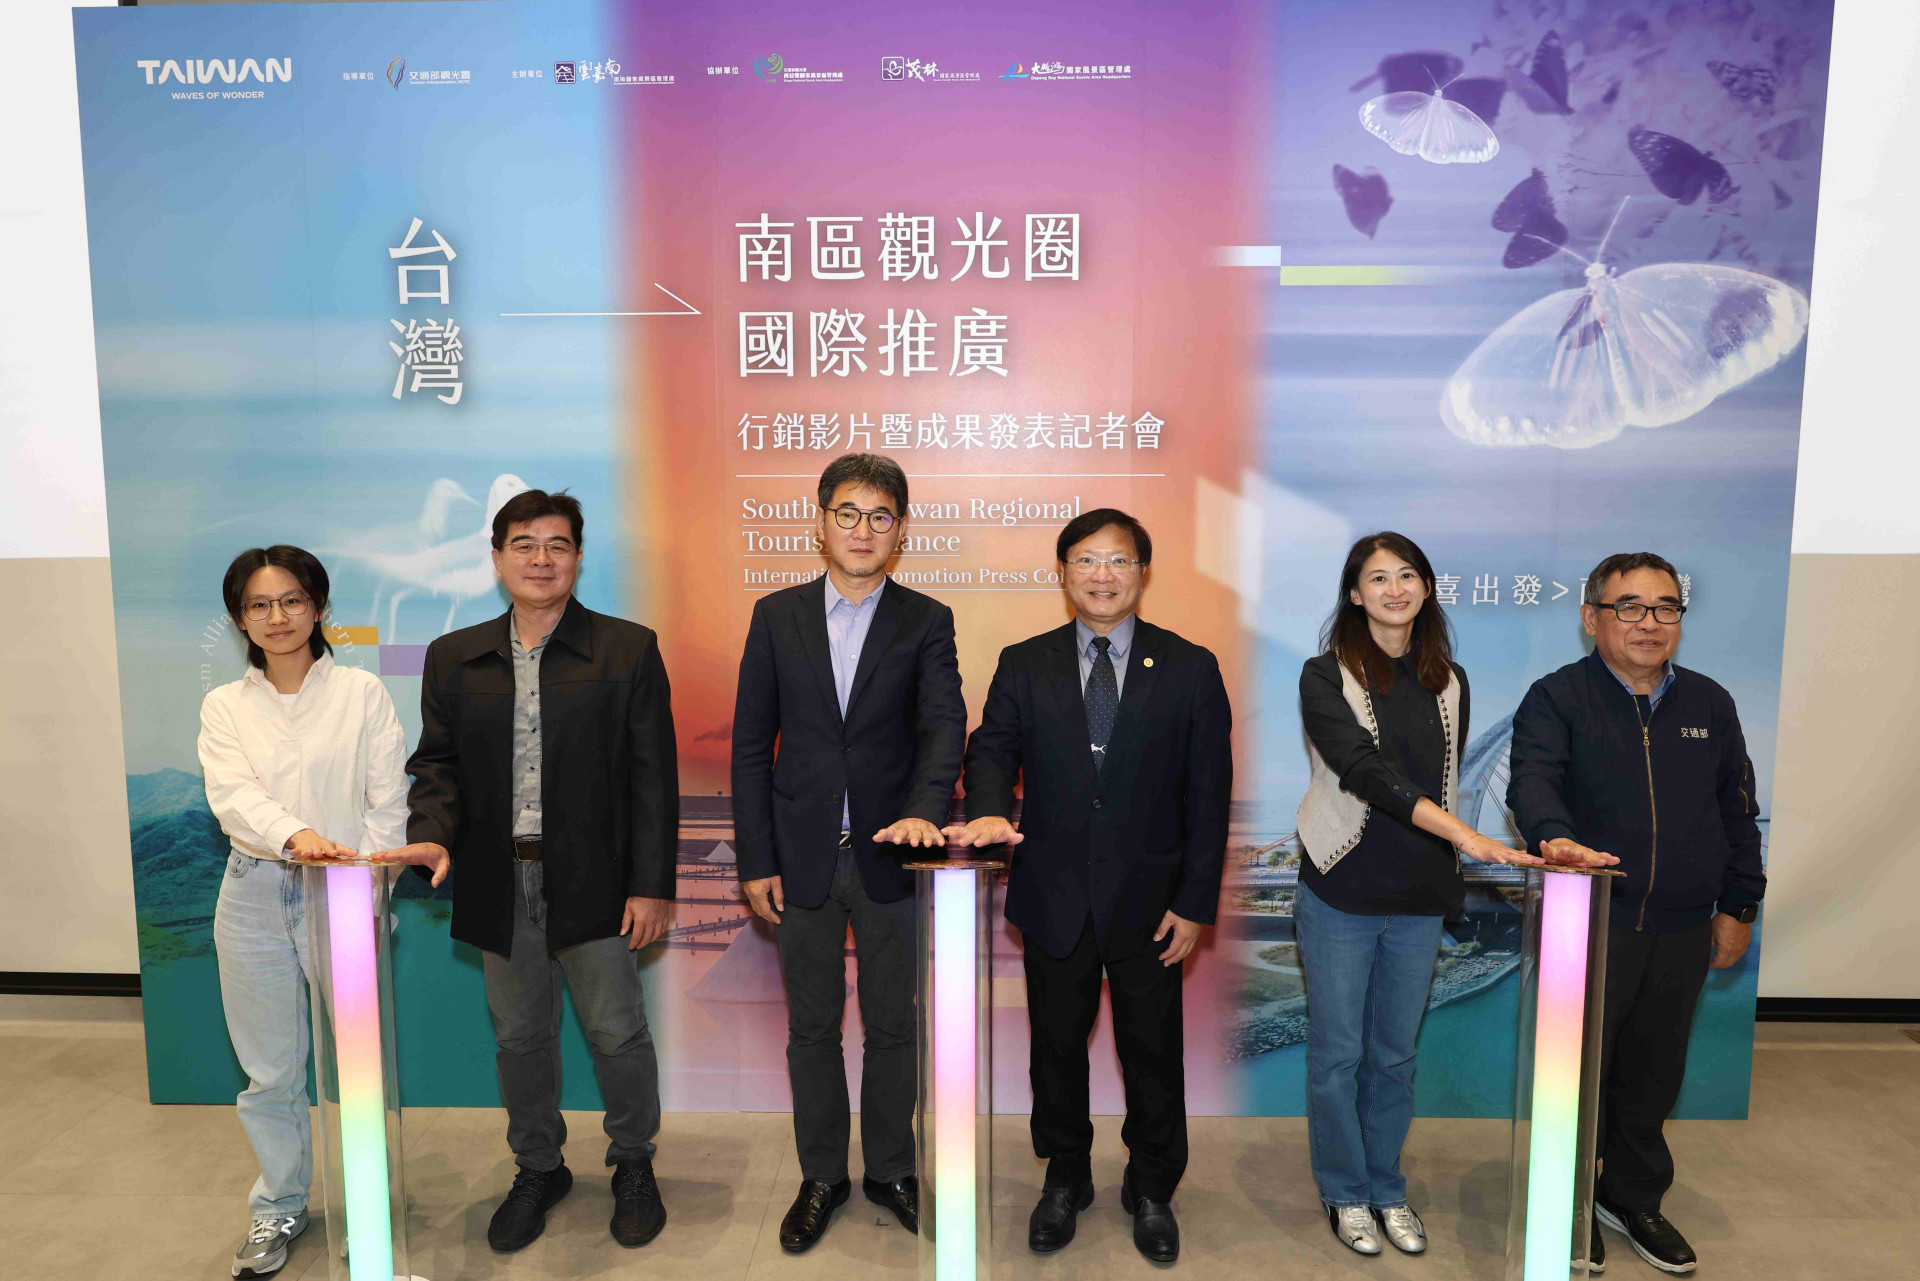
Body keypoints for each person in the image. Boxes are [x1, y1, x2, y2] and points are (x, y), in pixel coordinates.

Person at [375, 489, 680, 1253]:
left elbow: (654, 778)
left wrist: (650, 884)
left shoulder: (626, 648)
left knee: (616, 1030)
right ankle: (539, 1166)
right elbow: (437, 767)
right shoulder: (455, 656)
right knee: (519, 1036)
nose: (540, 559)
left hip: (598, 877)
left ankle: (633, 1161)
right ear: (497, 557)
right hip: (498, 876)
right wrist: (430, 836)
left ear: (578, 556)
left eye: (557, 544)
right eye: (523, 544)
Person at [1294, 533, 1598, 1258]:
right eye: (1377, 578)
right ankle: (1344, 1190)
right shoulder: (1323, 674)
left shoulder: (1448, 679)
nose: (1394, 588)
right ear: (1354, 594)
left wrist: (1460, 845)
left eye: (1408, 575)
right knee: (1338, 1054)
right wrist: (1467, 835)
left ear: (1427, 588)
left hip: (1421, 892)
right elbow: (1363, 771)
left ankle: (1385, 1185)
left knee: (1395, 1055)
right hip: (1341, 886)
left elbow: (1446, 775)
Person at [946, 508, 1231, 1265]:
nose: (1103, 575)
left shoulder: (1190, 666)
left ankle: (1152, 1186)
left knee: (1153, 1053)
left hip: (1153, 903)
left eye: (1119, 561)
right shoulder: (1025, 661)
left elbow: (1209, 794)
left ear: (1142, 571)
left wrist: (1195, 902)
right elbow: (990, 752)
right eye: (1086, 561)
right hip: (1054, 894)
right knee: (1056, 1050)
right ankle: (1065, 1175)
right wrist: (986, 811)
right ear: (1064, 572)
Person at [731, 452, 966, 1251]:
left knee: (894, 1024)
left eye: (880, 516)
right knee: (812, 1027)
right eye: (848, 513)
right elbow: (750, 743)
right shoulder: (776, 615)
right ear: (821, 522)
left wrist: (923, 816)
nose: (863, 530)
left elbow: (943, 727)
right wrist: (756, 858)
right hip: (800, 855)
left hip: (891, 854)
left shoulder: (926, 619)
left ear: (901, 530)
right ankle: (822, 1174)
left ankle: (892, 1168)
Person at [1508, 551, 1765, 1276]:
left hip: (1683, 924)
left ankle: (1630, 1197)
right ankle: (1566, 1201)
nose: (1649, 622)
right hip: (1590, 921)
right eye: (1629, 606)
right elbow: (1532, 781)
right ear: (1591, 618)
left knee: (1653, 1074)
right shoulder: (1557, 697)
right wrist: (1552, 835)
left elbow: (1738, 811)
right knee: (1575, 1076)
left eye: (1666, 607)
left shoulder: (1710, 704)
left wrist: (1739, 903)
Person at [200, 546, 425, 1279]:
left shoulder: (362, 692)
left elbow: (387, 798)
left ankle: (367, 1212)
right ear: (240, 618)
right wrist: (296, 835)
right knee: (269, 1070)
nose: (278, 616)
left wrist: (369, 884)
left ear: (319, 606)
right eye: (260, 604)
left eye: (293, 599)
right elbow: (233, 796)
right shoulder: (224, 706)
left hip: (346, 893)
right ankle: (281, 1203)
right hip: (253, 892)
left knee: (358, 1067)